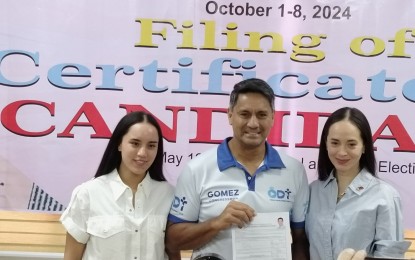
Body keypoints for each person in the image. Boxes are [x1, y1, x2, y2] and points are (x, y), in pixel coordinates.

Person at [166, 78, 310, 260]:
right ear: (230, 115)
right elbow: (172, 241)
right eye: (244, 114)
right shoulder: (197, 169)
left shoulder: (294, 171)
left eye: (262, 115)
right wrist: (216, 223)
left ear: (273, 117)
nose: (253, 123)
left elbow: (299, 239)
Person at [60, 111, 179, 260]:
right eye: (135, 143)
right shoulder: (88, 193)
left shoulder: (168, 195)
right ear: (119, 144)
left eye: (151, 146)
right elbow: (71, 257)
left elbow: (173, 252)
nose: (143, 153)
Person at [305, 107, 410, 260]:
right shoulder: (313, 191)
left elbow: (390, 256)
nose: (342, 152)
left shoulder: (385, 195)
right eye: (335, 143)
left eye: (351, 144)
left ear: (364, 146)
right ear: (325, 144)